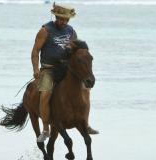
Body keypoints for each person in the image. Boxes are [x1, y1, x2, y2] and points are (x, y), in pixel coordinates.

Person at [30, 3, 99, 143]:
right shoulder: (45, 30)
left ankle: (86, 123)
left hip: (66, 68)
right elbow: (35, 51)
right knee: (45, 93)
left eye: (66, 20)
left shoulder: (70, 31)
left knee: (85, 90)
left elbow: (77, 51)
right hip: (49, 68)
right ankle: (45, 129)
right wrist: (36, 69)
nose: (63, 22)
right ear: (56, 16)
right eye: (61, 19)